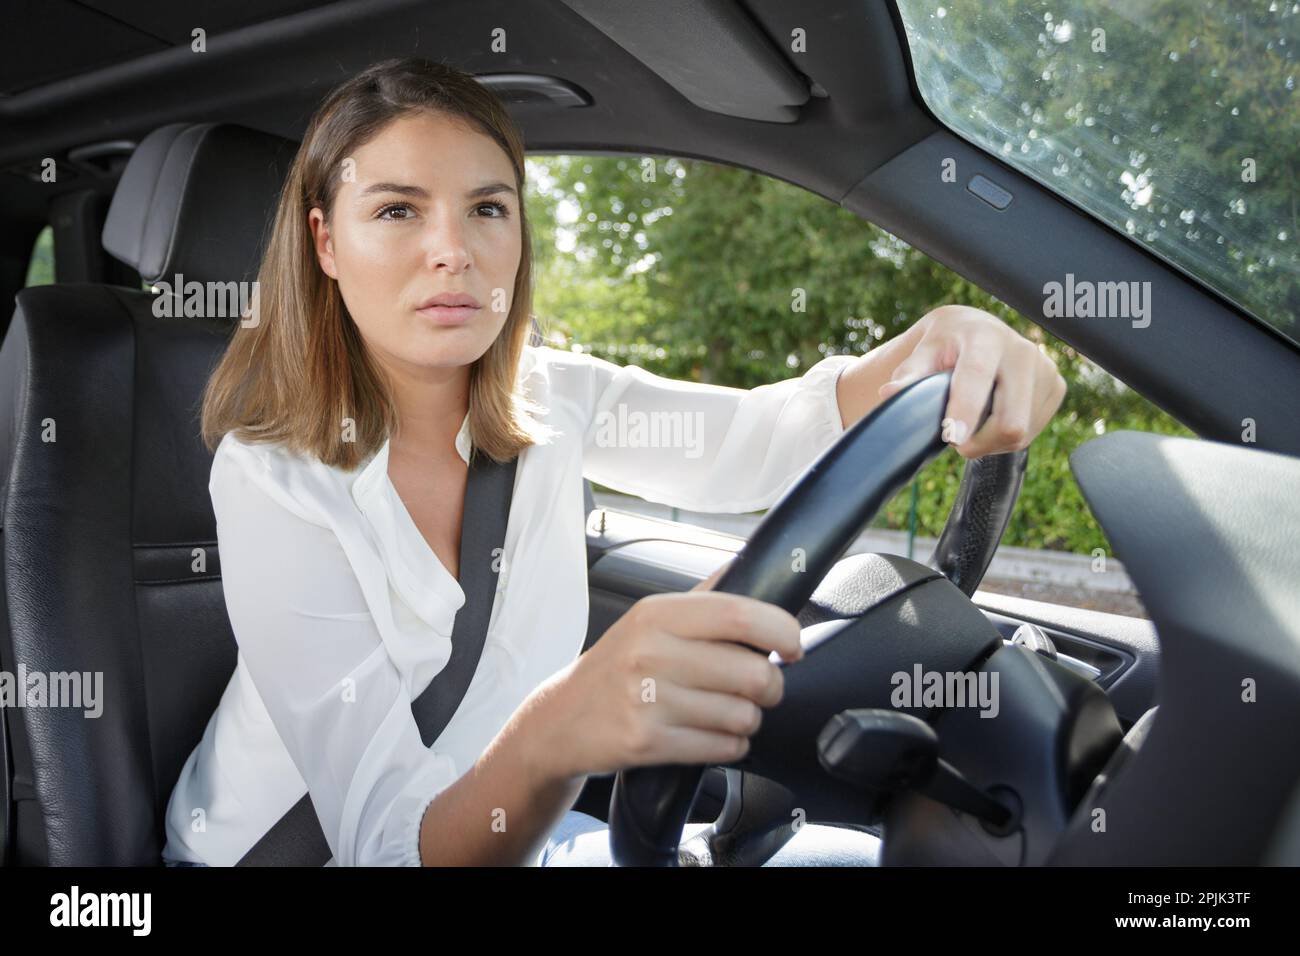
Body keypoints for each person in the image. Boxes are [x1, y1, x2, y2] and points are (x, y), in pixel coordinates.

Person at [162, 56, 1065, 868]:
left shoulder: (553, 399)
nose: (455, 250)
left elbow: (756, 442)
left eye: (488, 208)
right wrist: (562, 727)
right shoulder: (271, 478)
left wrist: (937, 346)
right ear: (325, 243)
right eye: (397, 209)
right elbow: (388, 849)